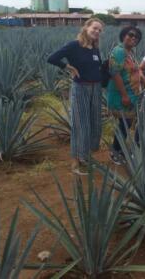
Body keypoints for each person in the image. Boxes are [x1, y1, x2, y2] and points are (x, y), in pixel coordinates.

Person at [47, 18, 104, 175]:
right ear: (86, 27)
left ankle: (85, 157)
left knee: (94, 124)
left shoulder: (94, 48)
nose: (97, 31)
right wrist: (68, 67)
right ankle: (75, 163)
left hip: (96, 88)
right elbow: (52, 58)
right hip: (81, 88)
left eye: (99, 30)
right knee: (80, 125)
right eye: (95, 28)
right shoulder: (74, 45)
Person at [107, 25, 143, 165]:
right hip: (121, 95)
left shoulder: (130, 52)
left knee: (126, 123)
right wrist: (124, 95)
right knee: (124, 123)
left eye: (136, 37)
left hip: (131, 94)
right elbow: (115, 74)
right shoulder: (119, 51)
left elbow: (135, 71)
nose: (133, 38)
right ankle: (115, 152)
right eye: (130, 35)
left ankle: (120, 149)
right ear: (123, 35)